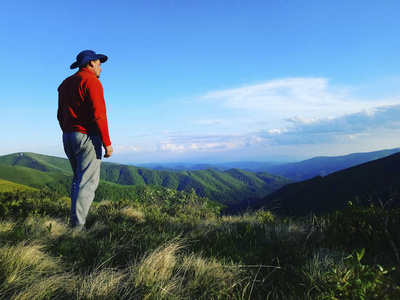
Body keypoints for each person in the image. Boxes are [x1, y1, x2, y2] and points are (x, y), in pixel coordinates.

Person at [57, 50, 113, 229]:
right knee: (88, 182)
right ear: (90, 63)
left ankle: (75, 223)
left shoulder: (65, 84)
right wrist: (107, 142)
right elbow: (99, 115)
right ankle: (78, 229)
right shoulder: (91, 81)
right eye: (99, 63)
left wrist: (68, 132)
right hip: (87, 136)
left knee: (78, 180)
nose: (101, 68)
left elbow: (60, 115)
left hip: (68, 135)